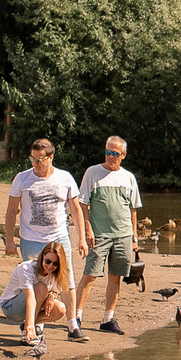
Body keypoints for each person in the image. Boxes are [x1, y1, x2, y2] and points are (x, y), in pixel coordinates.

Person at [3, 138, 85, 339]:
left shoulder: (64, 178)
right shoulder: (22, 179)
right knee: (37, 281)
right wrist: (10, 240)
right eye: (33, 159)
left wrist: (82, 238)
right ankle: (35, 325)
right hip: (31, 238)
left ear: (51, 157)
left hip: (59, 237)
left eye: (40, 160)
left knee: (66, 280)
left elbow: (75, 210)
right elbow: (12, 210)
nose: (36, 164)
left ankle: (73, 325)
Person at [76, 134, 142, 334]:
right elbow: (82, 203)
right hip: (99, 235)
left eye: (115, 153)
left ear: (124, 155)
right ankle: (76, 317)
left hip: (123, 235)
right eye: (108, 152)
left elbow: (133, 209)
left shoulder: (129, 177)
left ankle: (108, 319)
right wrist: (87, 228)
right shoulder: (92, 172)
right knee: (90, 275)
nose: (110, 156)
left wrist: (135, 237)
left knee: (116, 277)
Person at [0, 240, 73, 353]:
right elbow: (30, 298)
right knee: (41, 288)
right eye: (48, 261)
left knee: (60, 309)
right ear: (42, 257)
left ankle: (28, 326)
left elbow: (55, 290)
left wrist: (51, 297)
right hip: (11, 307)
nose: (50, 266)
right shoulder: (27, 269)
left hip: (32, 304)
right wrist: (30, 326)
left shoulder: (56, 273)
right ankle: (28, 330)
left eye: (55, 263)